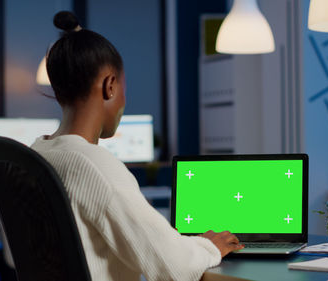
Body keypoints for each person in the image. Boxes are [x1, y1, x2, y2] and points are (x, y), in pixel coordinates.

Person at [31, 11, 243, 281]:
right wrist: (209, 246)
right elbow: (173, 267)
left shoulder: (38, 154)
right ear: (110, 86)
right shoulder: (94, 165)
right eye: (123, 89)